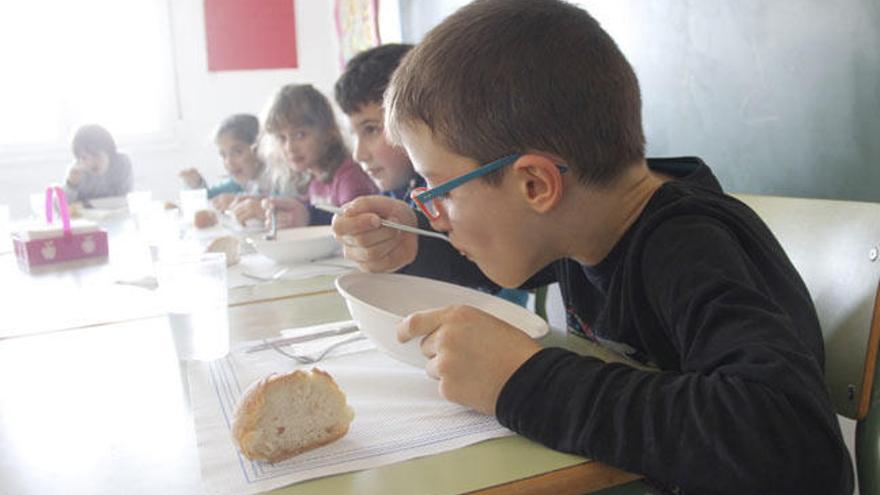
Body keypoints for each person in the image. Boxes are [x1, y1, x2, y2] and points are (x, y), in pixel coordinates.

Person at [328, 1, 854, 493]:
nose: (431, 213)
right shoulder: (585, 229)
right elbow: (514, 263)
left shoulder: (686, 246)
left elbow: (797, 446)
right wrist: (413, 244)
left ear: (535, 184)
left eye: (437, 192)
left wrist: (525, 381)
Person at [335, 43, 530, 307]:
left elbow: (503, 269)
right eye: (353, 134)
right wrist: (412, 241)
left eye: (371, 129)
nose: (358, 154)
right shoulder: (398, 191)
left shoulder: (480, 185)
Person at [259, 83, 378, 229]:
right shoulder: (314, 178)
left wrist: (308, 216)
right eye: (282, 138)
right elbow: (308, 208)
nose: (290, 147)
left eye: (300, 135)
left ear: (329, 132)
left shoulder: (349, 176)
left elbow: (355, 222)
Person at [178, 113, 273, 213]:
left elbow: (283, 204)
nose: (229, 162)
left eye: (237, 152)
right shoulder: (239, 183)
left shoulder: (276, 180)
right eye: (223, 155)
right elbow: (210, 197)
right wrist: (196, 185)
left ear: (260, 149)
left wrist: (239, 200)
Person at [64, 124, 133, 203]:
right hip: (86, 214)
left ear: (109, 152)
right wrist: (71, 185)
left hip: (116, 212)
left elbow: (125, 198)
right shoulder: (77, 171)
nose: (90, 162)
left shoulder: (121, 163)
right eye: (84, 157)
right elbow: (61, 207)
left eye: (96, 155)